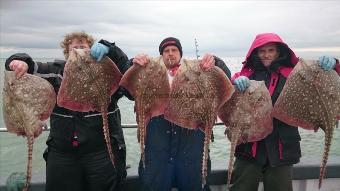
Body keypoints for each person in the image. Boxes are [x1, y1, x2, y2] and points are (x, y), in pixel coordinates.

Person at [5, 31, 133, 191]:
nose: (79, 51)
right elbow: (31, 68)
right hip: (62, 152)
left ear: (92, 50)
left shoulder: (105, 73)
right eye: (75, 48)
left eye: (83, 47)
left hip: (102, 151)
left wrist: (111, 49)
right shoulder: (56, 71)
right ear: (67, 52)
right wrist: (18, 62)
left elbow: (127, 75)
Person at [230, 32, 340, 191]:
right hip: (249, 146)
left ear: (279, 52)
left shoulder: (294, 72)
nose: (266, 55)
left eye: (271, 50)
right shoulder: (248, 73)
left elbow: (323, 81)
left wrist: (335, 64)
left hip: (282, 147)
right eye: (262, 51)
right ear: (255, 53)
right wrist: (236, 82)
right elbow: (228, 86)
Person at [132, 37, 231, 191]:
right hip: (158, 141)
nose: (170, 54)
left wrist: (215, 62)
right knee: (153, 183)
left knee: (195, 183)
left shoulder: (195, 71)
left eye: (174, 50)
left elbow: (224, 80)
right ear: (161, 55)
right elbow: (126, 89)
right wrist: (134, 62)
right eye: (166, 51)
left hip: (191, 139)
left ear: (180, 53)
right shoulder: (149, 72)